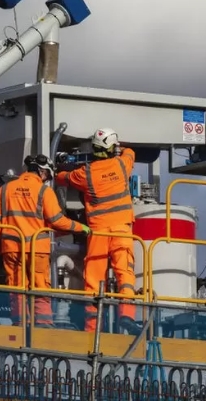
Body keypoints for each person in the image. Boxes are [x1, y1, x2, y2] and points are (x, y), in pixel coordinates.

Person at [54, 127, 139, 333]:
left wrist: (58, 167)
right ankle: (127, 315)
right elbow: (130, 152)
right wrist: (120, 149)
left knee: (93, 279)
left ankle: (92, 328)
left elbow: (63, 178)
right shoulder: (122, 164)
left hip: (98, 232)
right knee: (125, 273)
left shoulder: (86, 173)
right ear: (112, 147)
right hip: (121, 230)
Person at [0, 154, 90, 327]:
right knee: (40, 288)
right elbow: (57, 220)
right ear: (42, 172)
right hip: (37, 249)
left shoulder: (5, 189)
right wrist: (81, 227)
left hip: (11, 248)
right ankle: (43, 325)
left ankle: (20, 324)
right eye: (48, 176)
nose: (47, 180)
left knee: (16, 288)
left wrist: (0, 250)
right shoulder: (44, 191)